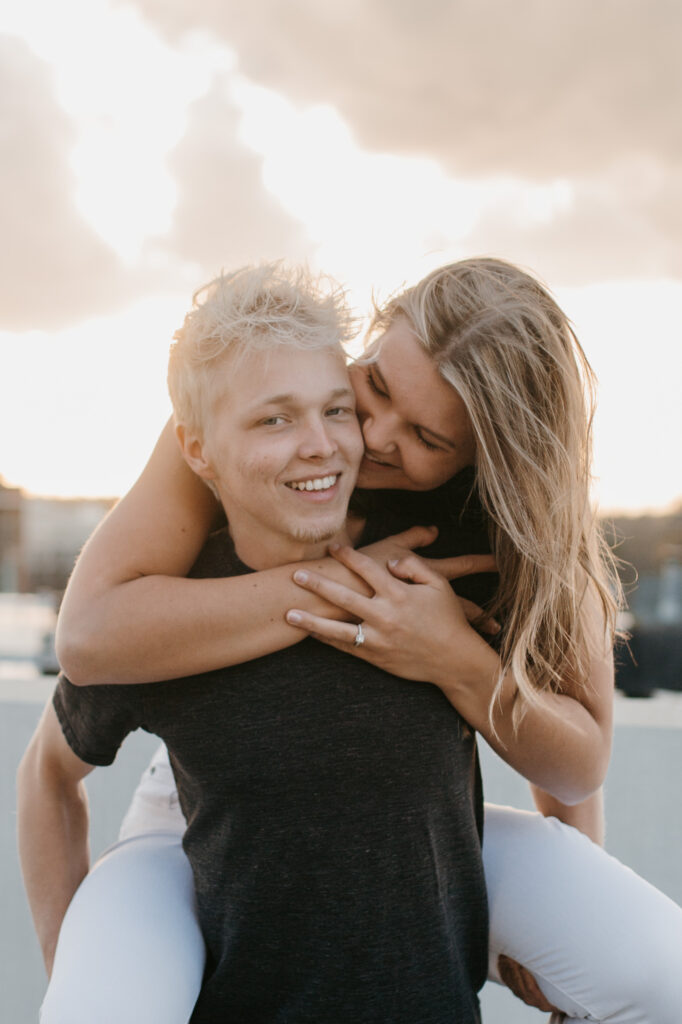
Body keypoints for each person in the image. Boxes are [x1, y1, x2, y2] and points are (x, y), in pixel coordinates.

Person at [43, 258, 682, 1022]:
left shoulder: (517, 530)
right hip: (211, 793)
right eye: (373, 386)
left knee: (661, 977)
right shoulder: (254, 423)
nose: (370, 439)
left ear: (484, 458)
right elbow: (88, 635)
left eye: (424, 435)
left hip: (414, 827)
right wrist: (344, 587)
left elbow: (576, 762)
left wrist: (451, 657)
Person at [18, 263, 491, 1024]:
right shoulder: (162, 625)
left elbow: (566, 733)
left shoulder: (438, 574)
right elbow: (46, 774)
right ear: (198, 454)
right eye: (275, 419)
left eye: (338, 410)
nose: (322, 445)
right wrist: (68, 962)